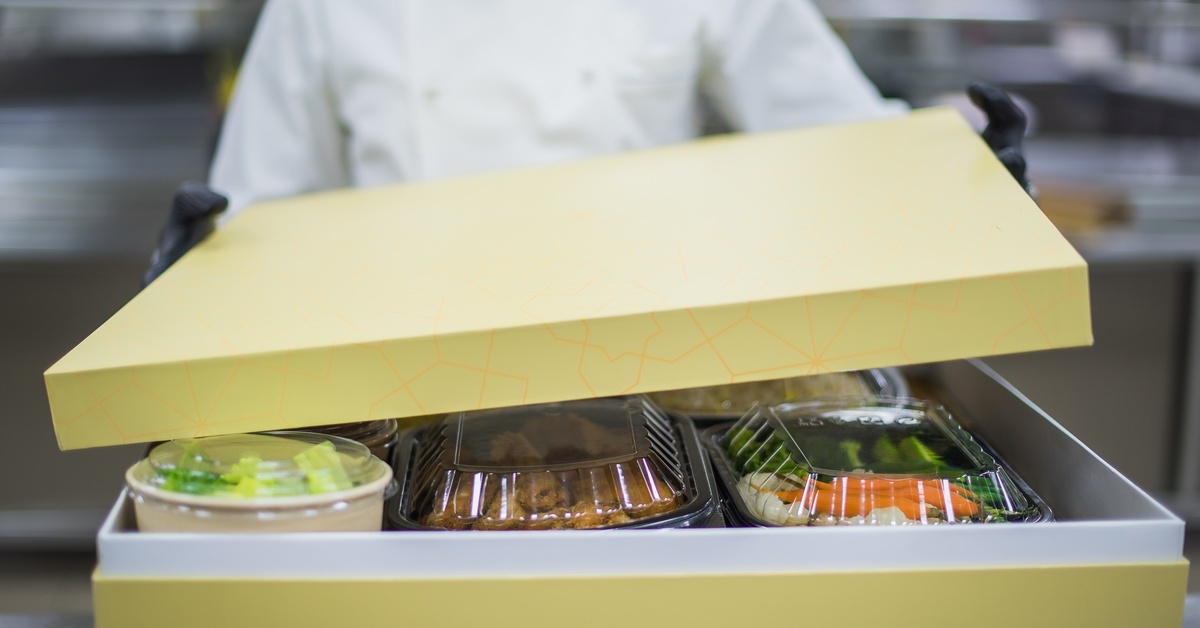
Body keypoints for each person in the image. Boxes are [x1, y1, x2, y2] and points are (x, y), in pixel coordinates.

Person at [144, 0, 1029, 284]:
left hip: (654, 376)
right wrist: (204, 264)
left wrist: (954, 164)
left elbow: (834, 130)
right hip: (409, 387)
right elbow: (265, 201)